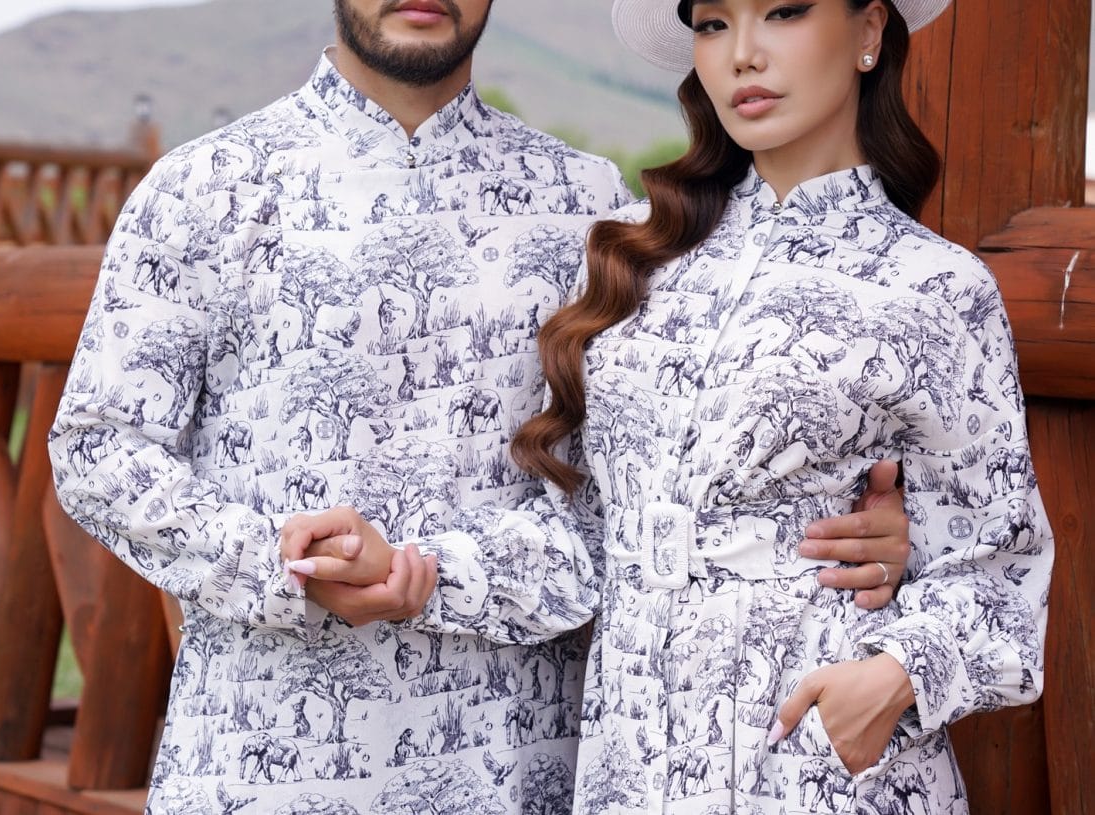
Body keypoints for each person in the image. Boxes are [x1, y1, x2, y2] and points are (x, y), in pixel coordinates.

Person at [50, 1, 912, 812]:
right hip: (262, 759)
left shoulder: (587, 206)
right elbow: (99, 448)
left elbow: (636, 490)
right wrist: (283, 566)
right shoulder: (203, 189)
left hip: (519, 764)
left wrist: (867, 520)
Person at [289, 0, 1054, 812]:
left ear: (869, 33)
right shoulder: (640, 261)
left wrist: (895, 677)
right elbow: (590, 536)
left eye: (784, 12)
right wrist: (412, 569)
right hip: (632, 770)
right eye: (716, 25)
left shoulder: (936, 288)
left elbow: (997, 568)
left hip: (820, 772)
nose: (743, 56)